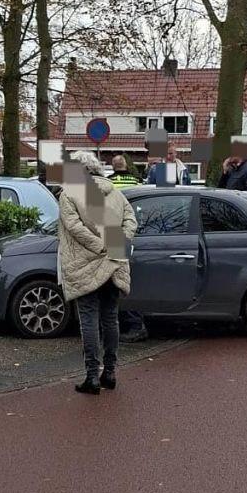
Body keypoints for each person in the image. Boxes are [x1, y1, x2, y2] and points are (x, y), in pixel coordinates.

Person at [58, 151, 137, 394]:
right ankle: (110, 373)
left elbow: (74, 227)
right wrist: (115, 243)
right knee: (110, 318)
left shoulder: (70, 193)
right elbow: (131, 221)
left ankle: (92, 376)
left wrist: (98, 246)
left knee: (89, 320)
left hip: (85, 264)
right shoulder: (116, 193)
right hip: (115, 262)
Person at [109, 154, 147, 341]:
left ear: (113, 166)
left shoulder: (109, 183)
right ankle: (132, 323)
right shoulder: (137, 182)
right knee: (128, 281)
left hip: (116, 235)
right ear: (126, 165)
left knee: (119, 280)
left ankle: (130, 324)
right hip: (136, 231)